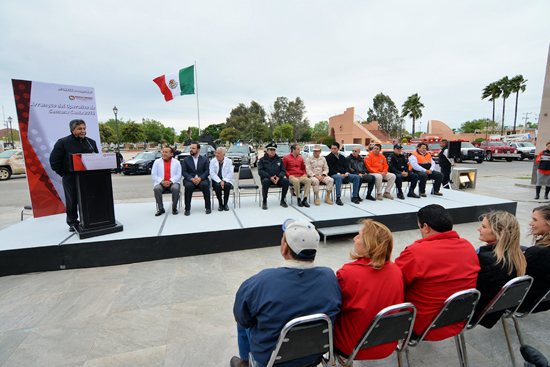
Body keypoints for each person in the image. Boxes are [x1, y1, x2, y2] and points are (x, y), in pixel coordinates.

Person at [231, 219, 342, 367]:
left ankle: (244, 362)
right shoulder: (329, 277)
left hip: (270, 360)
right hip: (312, 356)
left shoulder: (260, 281)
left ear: (285, 248)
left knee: (243, 322)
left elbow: (243, 319)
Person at [395, 204, 480, 341]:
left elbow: (393, 282)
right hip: (457, 320)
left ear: (426, 227)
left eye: (420, 227)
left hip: (422, 326)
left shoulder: (416, 252)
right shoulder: (468, 246)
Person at [334, 219, 404, 363]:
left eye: (358, 236)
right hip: (387, 343)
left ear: (368, 245)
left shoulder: (348, 273)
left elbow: (334, 306)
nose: (354, 238)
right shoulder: (396, 271)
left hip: (352, 346)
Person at [474, 211, 526, 328]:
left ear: (499, 233)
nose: (478, 229)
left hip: (477, 313)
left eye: (483, 226)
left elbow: (473, 290)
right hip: (494, 312)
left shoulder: (488, 260)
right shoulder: (517, 256)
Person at [49, 119, 99, 232]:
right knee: (72, 200)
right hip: (71, 177)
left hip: (89, 177)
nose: (83, 131)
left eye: (84, 128)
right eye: (79, 129)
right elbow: (54, 160)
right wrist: (63, 174)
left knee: (90, 198)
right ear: (72, 130)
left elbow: (96, 157)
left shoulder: (91, 142)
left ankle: (90, 219)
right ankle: (72, 222)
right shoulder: (62, 142)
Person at [523, 205, 550, 313]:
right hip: (545, 298)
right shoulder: (538, 251)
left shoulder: (540, 251)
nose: (531, 223)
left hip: (530, 302)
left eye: (535, 220)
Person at [181, 142, 211, 216]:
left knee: (205, 185)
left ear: (198, 150)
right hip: (190, 180)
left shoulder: (204, 159)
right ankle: (187, 209)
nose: (191, 150)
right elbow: (184, 172)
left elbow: (207, 171)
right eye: (190, 148)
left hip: (202, 179)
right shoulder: (186, 160)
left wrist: (200, 178)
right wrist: (191, 179)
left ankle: (208, 207)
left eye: (193, 148)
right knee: (188, 186)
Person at [258, 142, 289, 210]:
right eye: (271, 150)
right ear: (267, 151)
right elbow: (260, 171)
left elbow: (283, 170)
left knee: (286, 181)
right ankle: (264, 201)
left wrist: (279, 177)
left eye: (273, 150)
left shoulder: (279, 160)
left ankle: (283, 200)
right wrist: (270, 177)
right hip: (267, 179)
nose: (272, 151)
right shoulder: (262, 160)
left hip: (277, 179)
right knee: (265, 181)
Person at [151, 146, 182, 216]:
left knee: (176, 188)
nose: (164, 154)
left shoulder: (177, 162)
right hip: (161, 183)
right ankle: (161, 209)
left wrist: (170, 181)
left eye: (166, 152)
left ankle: (174, 208)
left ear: (171, 154)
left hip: (173, 182)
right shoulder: (157, 162)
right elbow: (154, 175)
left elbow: (179, 175)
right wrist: (162, 182)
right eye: (163, 152)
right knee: (157, 189)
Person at [282, 144, 311, 208]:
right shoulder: (286, 158)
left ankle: (305, 199)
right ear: (293, 150)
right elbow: (284, 169)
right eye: (298, 149)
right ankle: (298, 199)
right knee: (296, 181)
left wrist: (304, 174)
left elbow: (303, 168)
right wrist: (288, 175)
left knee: (308, 180)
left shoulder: (300, 158)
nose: (299, 150)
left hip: (300, 176)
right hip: (292, 176)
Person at [209, 147, 234, 211]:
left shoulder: (229, 161)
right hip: (216, 180)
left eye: (219, 153)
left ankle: (225, 204)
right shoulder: (212, 161)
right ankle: (220, 204)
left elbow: (231, 173)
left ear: (223, 154)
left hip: (226, 180)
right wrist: (220, 181)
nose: (216, 154)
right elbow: (212, 173)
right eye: (216, 153)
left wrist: (224, 181)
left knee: (227, 186)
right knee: (217, 186)